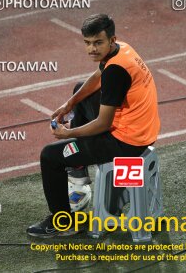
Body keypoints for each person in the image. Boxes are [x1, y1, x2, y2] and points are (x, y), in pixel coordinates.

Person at [27, 14, 160, 238]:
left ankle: (63, 221)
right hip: (141, 130)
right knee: (81, 90)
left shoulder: (117, 71)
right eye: (87, 43)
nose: (92, 49)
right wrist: (70, 103)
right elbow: (98, 77)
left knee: (50, 156)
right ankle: (78, 172)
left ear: (111, 39)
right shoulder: (121, 49)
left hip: (125, 143)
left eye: (97, 43)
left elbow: (102, 124)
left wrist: (67, 133)